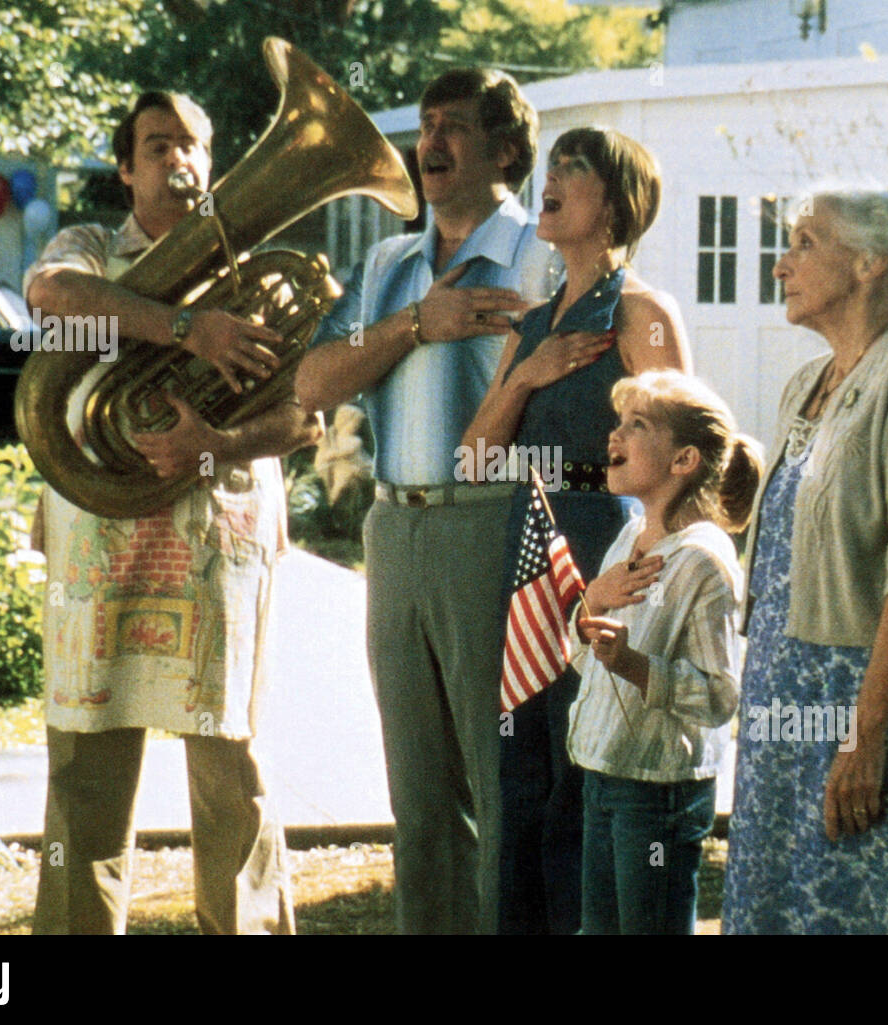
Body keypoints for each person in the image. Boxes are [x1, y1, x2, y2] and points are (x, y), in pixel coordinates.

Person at [26, 91, 306, 934]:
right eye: (157, 147)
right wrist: (187, 330)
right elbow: (50, 293)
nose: (178, 161)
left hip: (214, 540)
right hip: (98, 539)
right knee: (83, 766)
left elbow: (305, 417)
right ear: (126, 168)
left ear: (213, 162)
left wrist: (209, 445)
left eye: (192, 145)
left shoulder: (254, 267)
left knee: (230, 766)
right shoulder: (89, 247)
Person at [295, 68, 557, 934]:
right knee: (417, 789)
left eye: (454, 126)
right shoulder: (389, 260)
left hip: (494, 522)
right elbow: (312, 381)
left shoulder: (540, 252)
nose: (430, 143)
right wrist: (416, 323)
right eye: (427, 125)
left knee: (500, 777)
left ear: (508, 150)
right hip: (393, 527)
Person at [720, 180, 888, 934]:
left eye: (806, 241)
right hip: (786, 703)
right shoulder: (809, 384)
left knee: (878, 905)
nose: (781, 264)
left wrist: (864, 737)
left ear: (872, 262)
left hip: (865, 704)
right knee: (783, 902)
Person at [458, 127, 690, 934]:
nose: (550, 179)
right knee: (522, 777)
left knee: (589, 777)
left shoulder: (640, 311)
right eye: (550, 165)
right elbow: (475, 461)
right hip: (529, 553)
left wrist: (653, 567)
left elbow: (685, 454)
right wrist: (528, 372)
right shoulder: (532, 326)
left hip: (607, 549)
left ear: (618, 204)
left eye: (575, 168)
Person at [565, 369, 760, 934]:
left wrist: (634, 664)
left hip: (659, 791)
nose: (614, 436)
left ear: (683, 461)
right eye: (619, 422)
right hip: (603, 769)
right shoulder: (629, 538)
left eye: (637, 425)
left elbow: (721, 697)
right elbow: (588, 657)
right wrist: (589, 608)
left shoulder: (703, 561)